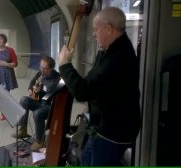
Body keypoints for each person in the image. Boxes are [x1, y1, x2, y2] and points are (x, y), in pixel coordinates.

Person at [58, 7, 141, 166]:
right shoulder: (109, 50)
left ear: (108, 29)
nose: (94, 34)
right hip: (104, 125)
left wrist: (65, 65)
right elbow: (92, 82)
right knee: (87, 158)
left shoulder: (118, 57)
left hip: (113, 131)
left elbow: (82, 92)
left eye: (96, 30)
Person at [12, 55, 60, 151]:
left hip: (50, 106)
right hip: (39, 101)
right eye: (40, 67)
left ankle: (40, 140)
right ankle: (23, 129)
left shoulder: (57, 80)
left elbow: (51, 97)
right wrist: (31, 89)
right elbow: (32, 83)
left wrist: (40, 91)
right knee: (23, 100)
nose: (42, 70)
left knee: (37, 113)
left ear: (51, 68)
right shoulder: (40, 74)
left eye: (45, 68)